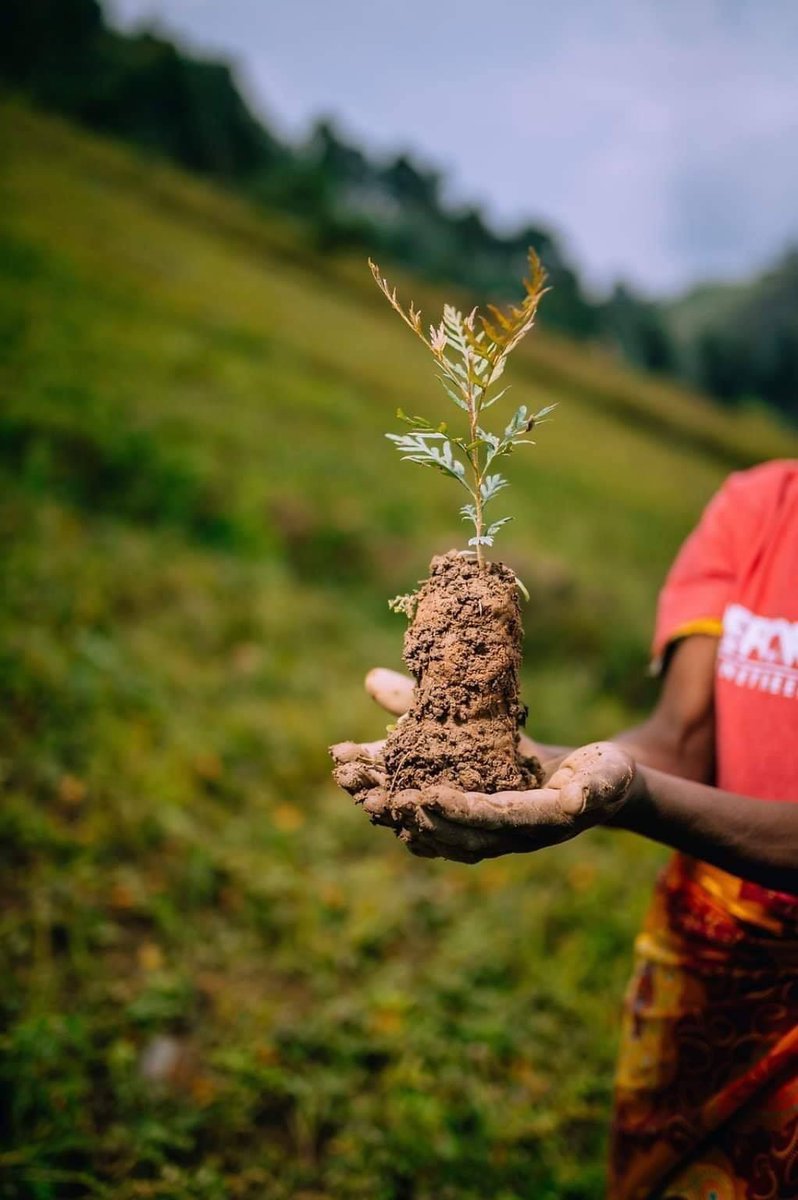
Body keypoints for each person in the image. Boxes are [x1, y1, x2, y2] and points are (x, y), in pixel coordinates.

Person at [332, 458, 798, 1199]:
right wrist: (553, 764)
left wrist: (631, 799)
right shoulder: (761, 506)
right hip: (712, 940)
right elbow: (682, 734)